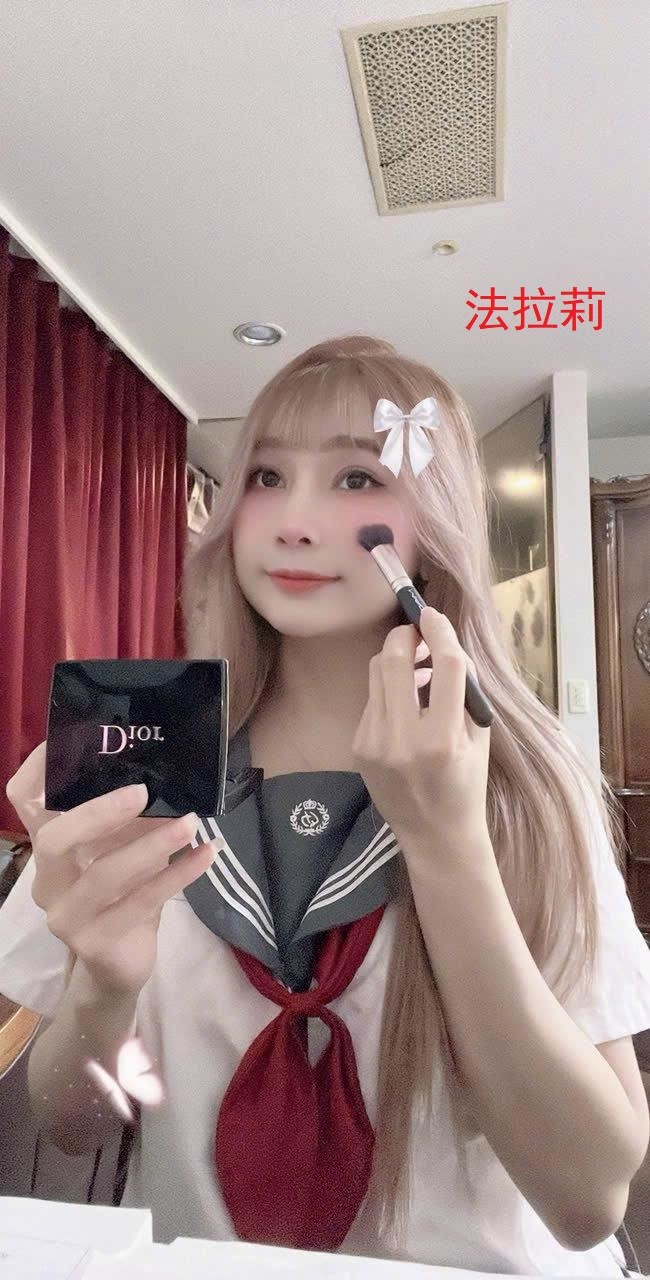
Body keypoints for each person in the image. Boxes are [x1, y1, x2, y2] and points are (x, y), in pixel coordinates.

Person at [1, 335, 649, 1277]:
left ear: (435, 521)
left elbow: (588, 1202)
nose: (294, 524)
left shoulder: (526, 782)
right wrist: (102, 987)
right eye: (266, 476)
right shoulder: (145, 758)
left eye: (356, 478)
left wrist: (450, 849)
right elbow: (76, 1125)